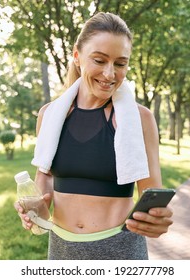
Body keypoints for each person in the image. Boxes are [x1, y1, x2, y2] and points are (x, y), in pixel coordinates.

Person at [14, 12, 173, 260]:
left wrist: (156, 220)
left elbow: (152, 198)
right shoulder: (49, 115)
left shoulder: (140, 119)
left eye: (120, 64)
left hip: (120, 250)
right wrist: (33, 212)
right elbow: (44, 192)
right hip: (61, 250)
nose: (110, 74)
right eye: (99, 60)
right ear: (77, 56)